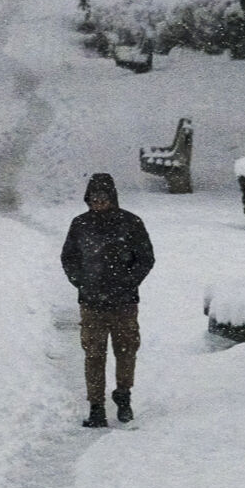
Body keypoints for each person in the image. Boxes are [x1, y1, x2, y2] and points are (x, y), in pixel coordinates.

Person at [61, 171, 155, 427]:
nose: (98, 202)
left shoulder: (131, 223)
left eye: (103, 197)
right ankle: (96, 406)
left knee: (126, 351)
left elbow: (146, 258)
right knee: (94, 354)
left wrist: (127, 282)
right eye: (94, 198)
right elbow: (69, 258)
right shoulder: (80, 224)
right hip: (91, 304)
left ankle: (124, 396)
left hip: (124, 303)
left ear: (112, 197)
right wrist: (82, 282)